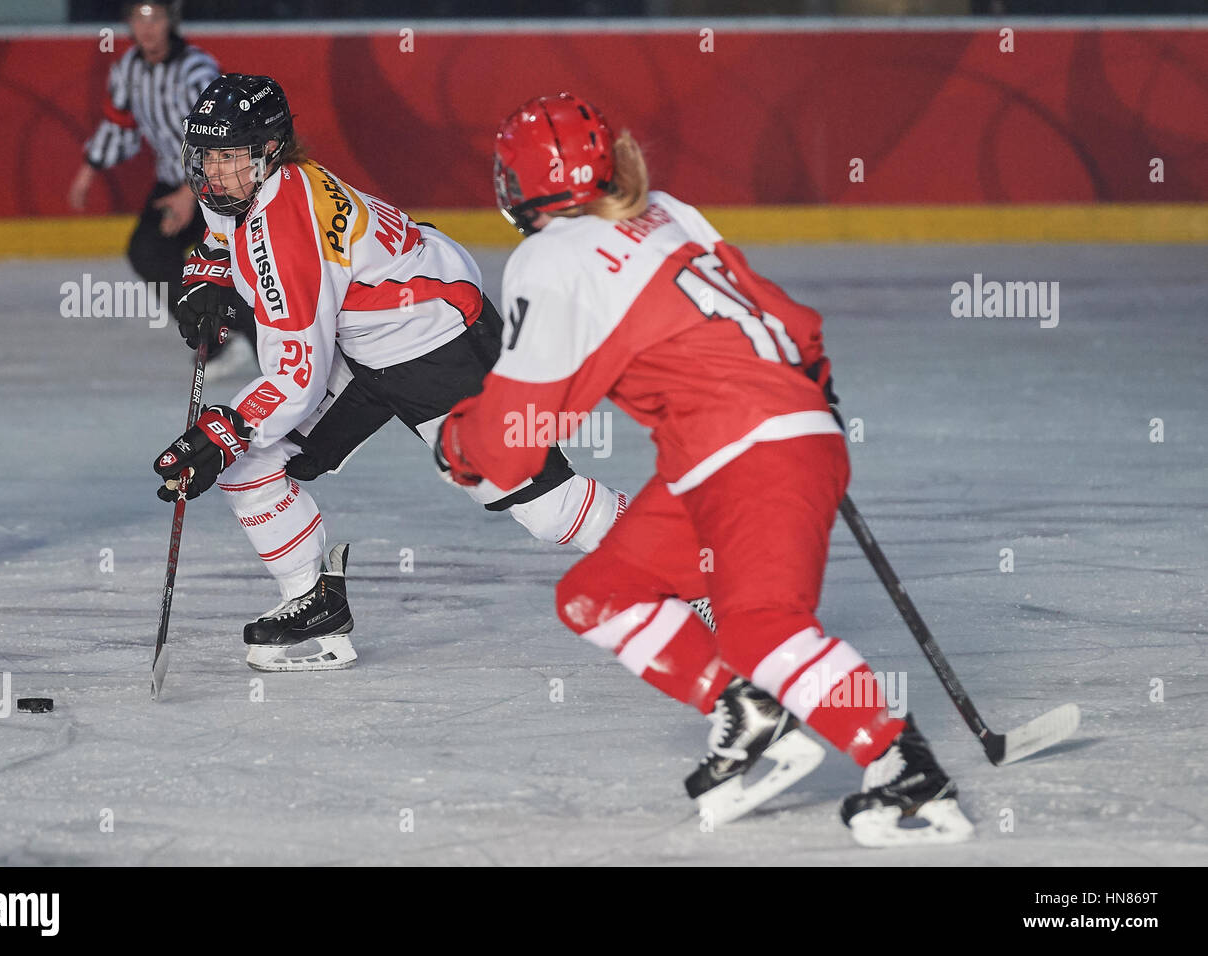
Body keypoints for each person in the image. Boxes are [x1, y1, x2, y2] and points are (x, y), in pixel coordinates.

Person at [435, 93, 974, 846]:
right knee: (599, 591)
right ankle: (746, 711)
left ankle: (907, 770)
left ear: (515, 183)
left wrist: (459, 446)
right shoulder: (664, 209)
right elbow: (789, 319)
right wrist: (809, 389)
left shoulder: (548, 258)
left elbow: (519, 434)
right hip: (748, 446)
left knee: (760, 628)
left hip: (748, 454)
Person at [149, 74, 630, 676]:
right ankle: (314, 599)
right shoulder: (261, 186)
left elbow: (295, 378)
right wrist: (211, 271)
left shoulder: (286, 230)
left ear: (268, 152)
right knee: (250, 464)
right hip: (366, 346)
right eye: (208, 157)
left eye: (230, 158)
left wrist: (229, 425)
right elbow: (230, 232)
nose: (215, 174)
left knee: (547, 511)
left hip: (437, 342)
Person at [67, 1, 254, 373]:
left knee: (239, 267)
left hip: (221, 185)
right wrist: (88, 171)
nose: (147, 27)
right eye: (139, 18)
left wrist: (192, 194)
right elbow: (119, 127)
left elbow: (219, 137)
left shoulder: (196, 69)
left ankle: (273, 346)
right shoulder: (128, 70)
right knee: (147, 253)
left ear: (171, 21)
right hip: (173, 182)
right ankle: (215, 338)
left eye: (156, 17)